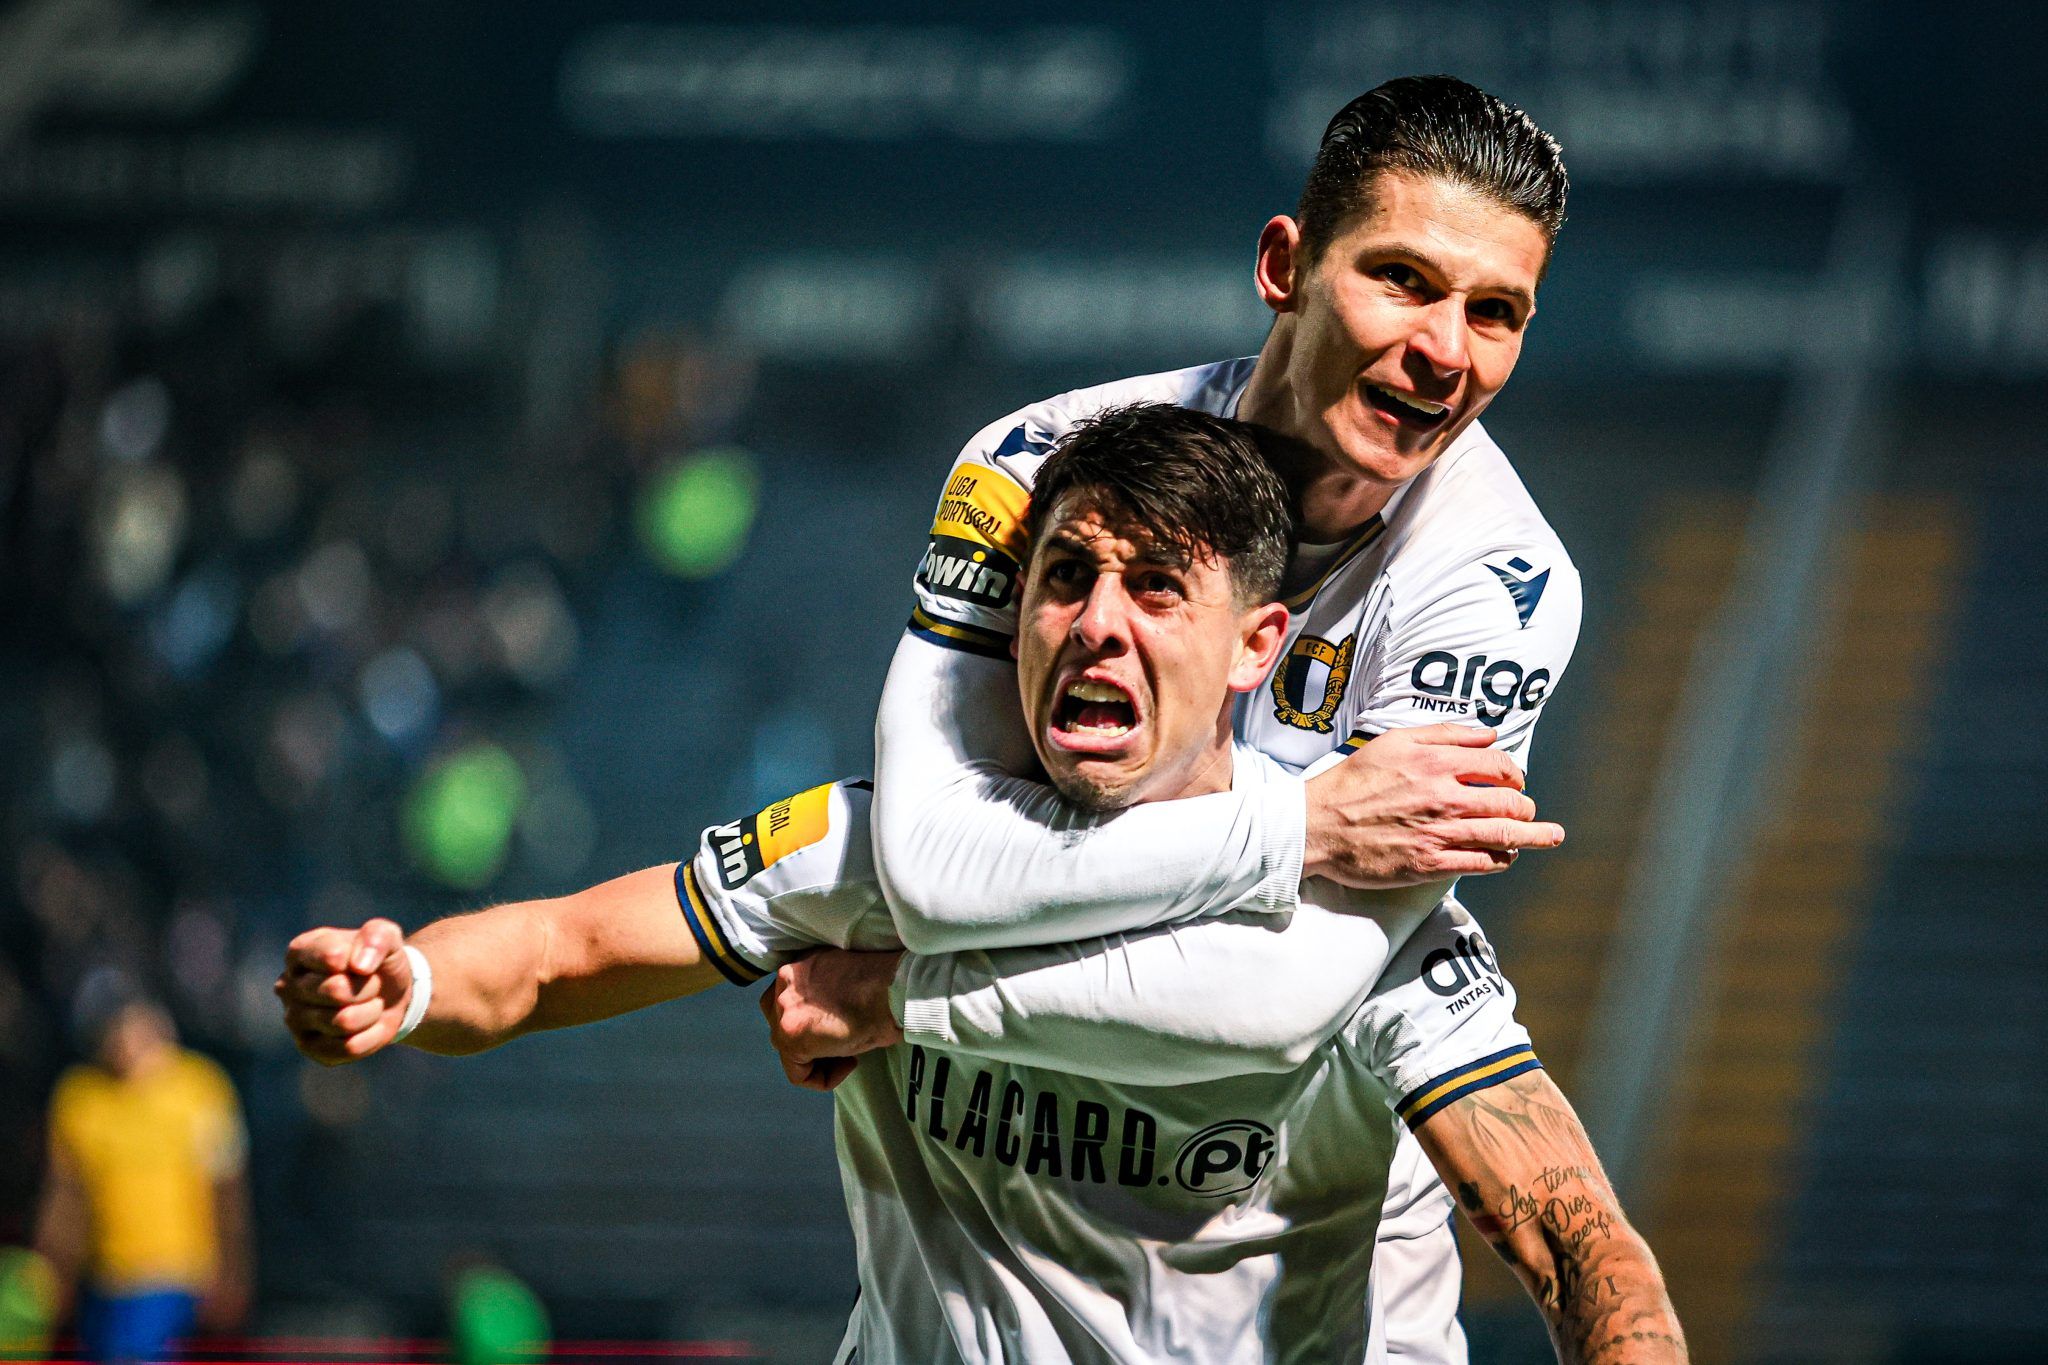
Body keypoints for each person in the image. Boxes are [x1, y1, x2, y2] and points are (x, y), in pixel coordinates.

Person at [278, 75, 1584, 1358]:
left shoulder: (1487, 602)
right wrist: (415, 980)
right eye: (1069, 580)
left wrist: (909, 998)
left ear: (1261, 643)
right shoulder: (881, 822)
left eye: (1496, 311)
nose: (1101, 626)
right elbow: (571, 949)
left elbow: (1564, 1228)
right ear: (1287, 265)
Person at [35, 995, 252, 1365]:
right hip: (103, 1273)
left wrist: (233, 1269)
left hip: (172, 1271)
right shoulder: (81, 1097)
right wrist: (53, 1268)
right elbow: (66, 1194)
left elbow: (227, 1189)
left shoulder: (200, 1089)